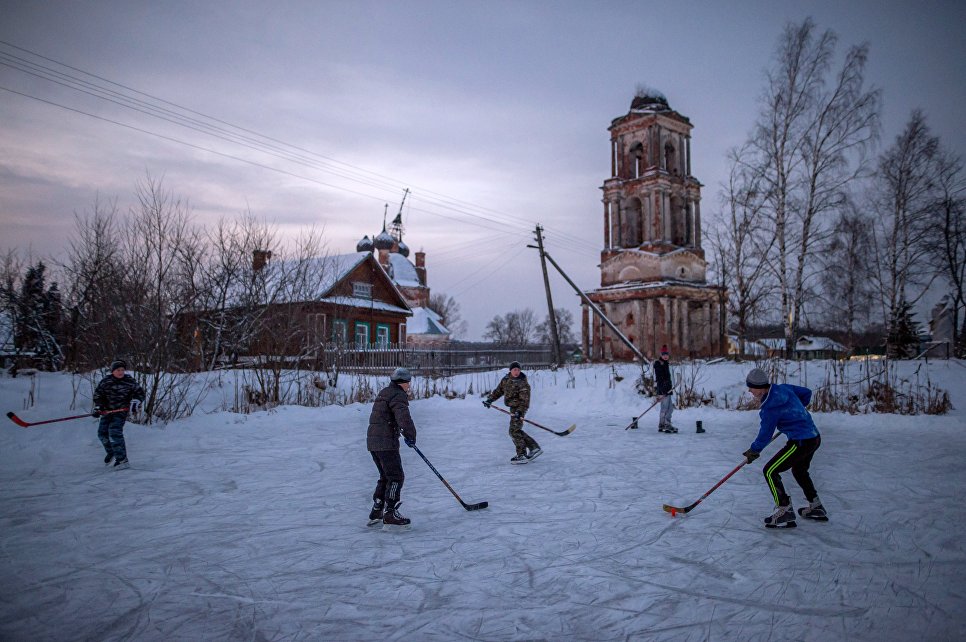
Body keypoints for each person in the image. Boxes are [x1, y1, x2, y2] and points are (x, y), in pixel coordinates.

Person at [742, 368, 828, 528]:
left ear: (760, 387)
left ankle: (784, 509)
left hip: (800, 442)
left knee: (769, 471)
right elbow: (806, 393)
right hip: (814, 437)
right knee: (799, 471)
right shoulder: (784, 388)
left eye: (751, 387)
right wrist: (793, 412)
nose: (749, 390)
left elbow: (765, 434)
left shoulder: (770, 409)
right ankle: (816, 506)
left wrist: (754, 451)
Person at [366, 367, 417, 529]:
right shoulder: (398, 395)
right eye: (408, 383)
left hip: (373, 442)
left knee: (385, 476)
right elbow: (403, 417)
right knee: (396, 476)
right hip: (386, 443)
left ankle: (377, 508)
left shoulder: (385, 392)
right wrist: (410, 435)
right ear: (402, 382)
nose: (409, 386)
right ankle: (390, 512)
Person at [483, 361, 541, 464]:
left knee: (513, 431)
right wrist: (490, 400)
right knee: (516, 430)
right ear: (510, 370)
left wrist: (520, 412)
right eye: (515, 369)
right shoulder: (506, 380)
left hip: (519, 409)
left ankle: (522, 454)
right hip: (512, 408)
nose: (517, 372)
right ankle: (533, 448)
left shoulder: (523, 383)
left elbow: (525, 401)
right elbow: (498, 391)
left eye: (518, 370)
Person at [92, 359, 145, 470]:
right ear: (112, 371)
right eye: (118, 370)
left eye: (122, 370)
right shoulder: (106, 381)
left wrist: (136, 401)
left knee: (114, 432)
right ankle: (112, 452)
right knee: (102, 433)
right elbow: (98, 395)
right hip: (107, 411)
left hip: (120, 412)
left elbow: (140, 392)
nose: (120, 372)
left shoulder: (129, 381)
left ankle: (122, 459)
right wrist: (98, 407)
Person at [654, 345, 676, 433]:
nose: (665, 356)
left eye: (666, 354)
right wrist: (664, 390)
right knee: (667, 408)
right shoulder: (659, 364)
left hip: (667, 390)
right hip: (663, 390)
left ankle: (662, 424)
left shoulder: (665, 363)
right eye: (663, 354)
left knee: (668, 408)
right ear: (661, 355)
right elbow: (659, 378)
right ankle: (667, 424)